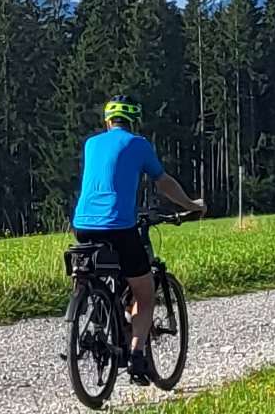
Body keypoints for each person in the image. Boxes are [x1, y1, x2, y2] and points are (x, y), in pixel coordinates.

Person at [71, 97, 201, 382]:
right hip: (119, 225)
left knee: (100, 269)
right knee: (144, 289)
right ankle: (137, 356)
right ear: (133, 122)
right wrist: (191, 205)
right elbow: (163, 182)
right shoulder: (139, 144)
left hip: (81, 224)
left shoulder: (91, 144)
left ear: (107, 121)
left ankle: (99, 306)